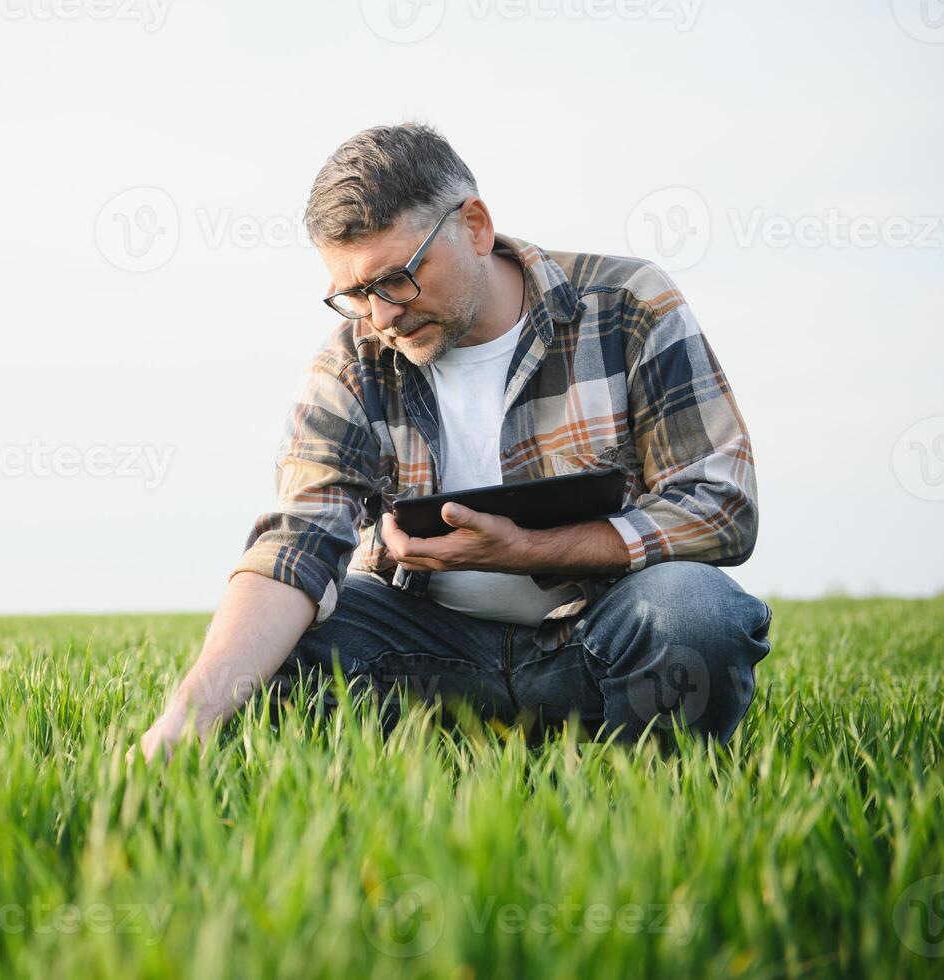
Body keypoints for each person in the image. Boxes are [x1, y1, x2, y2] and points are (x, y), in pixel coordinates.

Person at [137, 122, 771, 760]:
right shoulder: (351, 361)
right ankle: (427, 758)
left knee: (695, 613)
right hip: (425, 654)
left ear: (474, 225)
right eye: (354, 294)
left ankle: (634, 775)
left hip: (596, 642)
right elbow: (296, 543)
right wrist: (180, 724)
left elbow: (720, 503)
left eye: (396, 278)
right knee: (277, 641)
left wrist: (530, 549)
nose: (381, 315)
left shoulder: (626, 304)